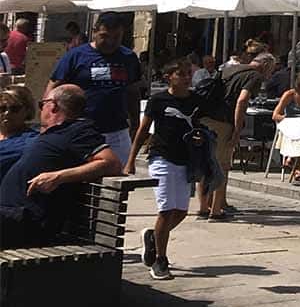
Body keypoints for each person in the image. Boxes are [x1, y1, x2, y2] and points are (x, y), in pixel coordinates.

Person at [0, 85, 121, 248]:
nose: (41, 110)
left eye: (42, 105)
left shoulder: (77, 130)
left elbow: (111, 163)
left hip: (26, 220)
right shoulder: (54, 133)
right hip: (9, 216)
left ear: (53, 105)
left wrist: (58, 176)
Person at [127, 58, 208, 280]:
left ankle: (153, 236)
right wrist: (131, 159)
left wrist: (201, 140)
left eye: (188, 73)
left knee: (181, 211)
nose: (186, 77)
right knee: (166, 210)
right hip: (162, 157)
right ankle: (160, 260)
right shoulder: (159, 100)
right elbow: (143, 130)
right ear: (169, 77)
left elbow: (199, 126)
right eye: (180, 73)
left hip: (186, 159)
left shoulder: (196, 100)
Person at [48, 13, 143, 166]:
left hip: (117, 132)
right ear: (95, 31)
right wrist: (49, 124)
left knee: (115, 181)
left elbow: (133, 91)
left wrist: (135, 122)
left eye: (116, 37)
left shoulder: (129, 58)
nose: (110, 42)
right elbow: (53, 89)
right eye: (105, 36)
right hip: (80, 131)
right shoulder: (75, 56)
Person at [197, 44, 267, 222]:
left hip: (205, 117)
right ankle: (216, 210)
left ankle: (203, 207)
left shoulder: (231, 69)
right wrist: (237, 130)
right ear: (265, 66)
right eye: (271, 70)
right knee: (222, 166)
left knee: (206, 163)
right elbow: (242, 101)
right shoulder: (254, 76)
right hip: (223, 122)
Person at [0, 87, 38, 184]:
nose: (7, 113)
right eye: (2, 108)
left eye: (14, 109)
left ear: (27, 111)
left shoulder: (31, 140)